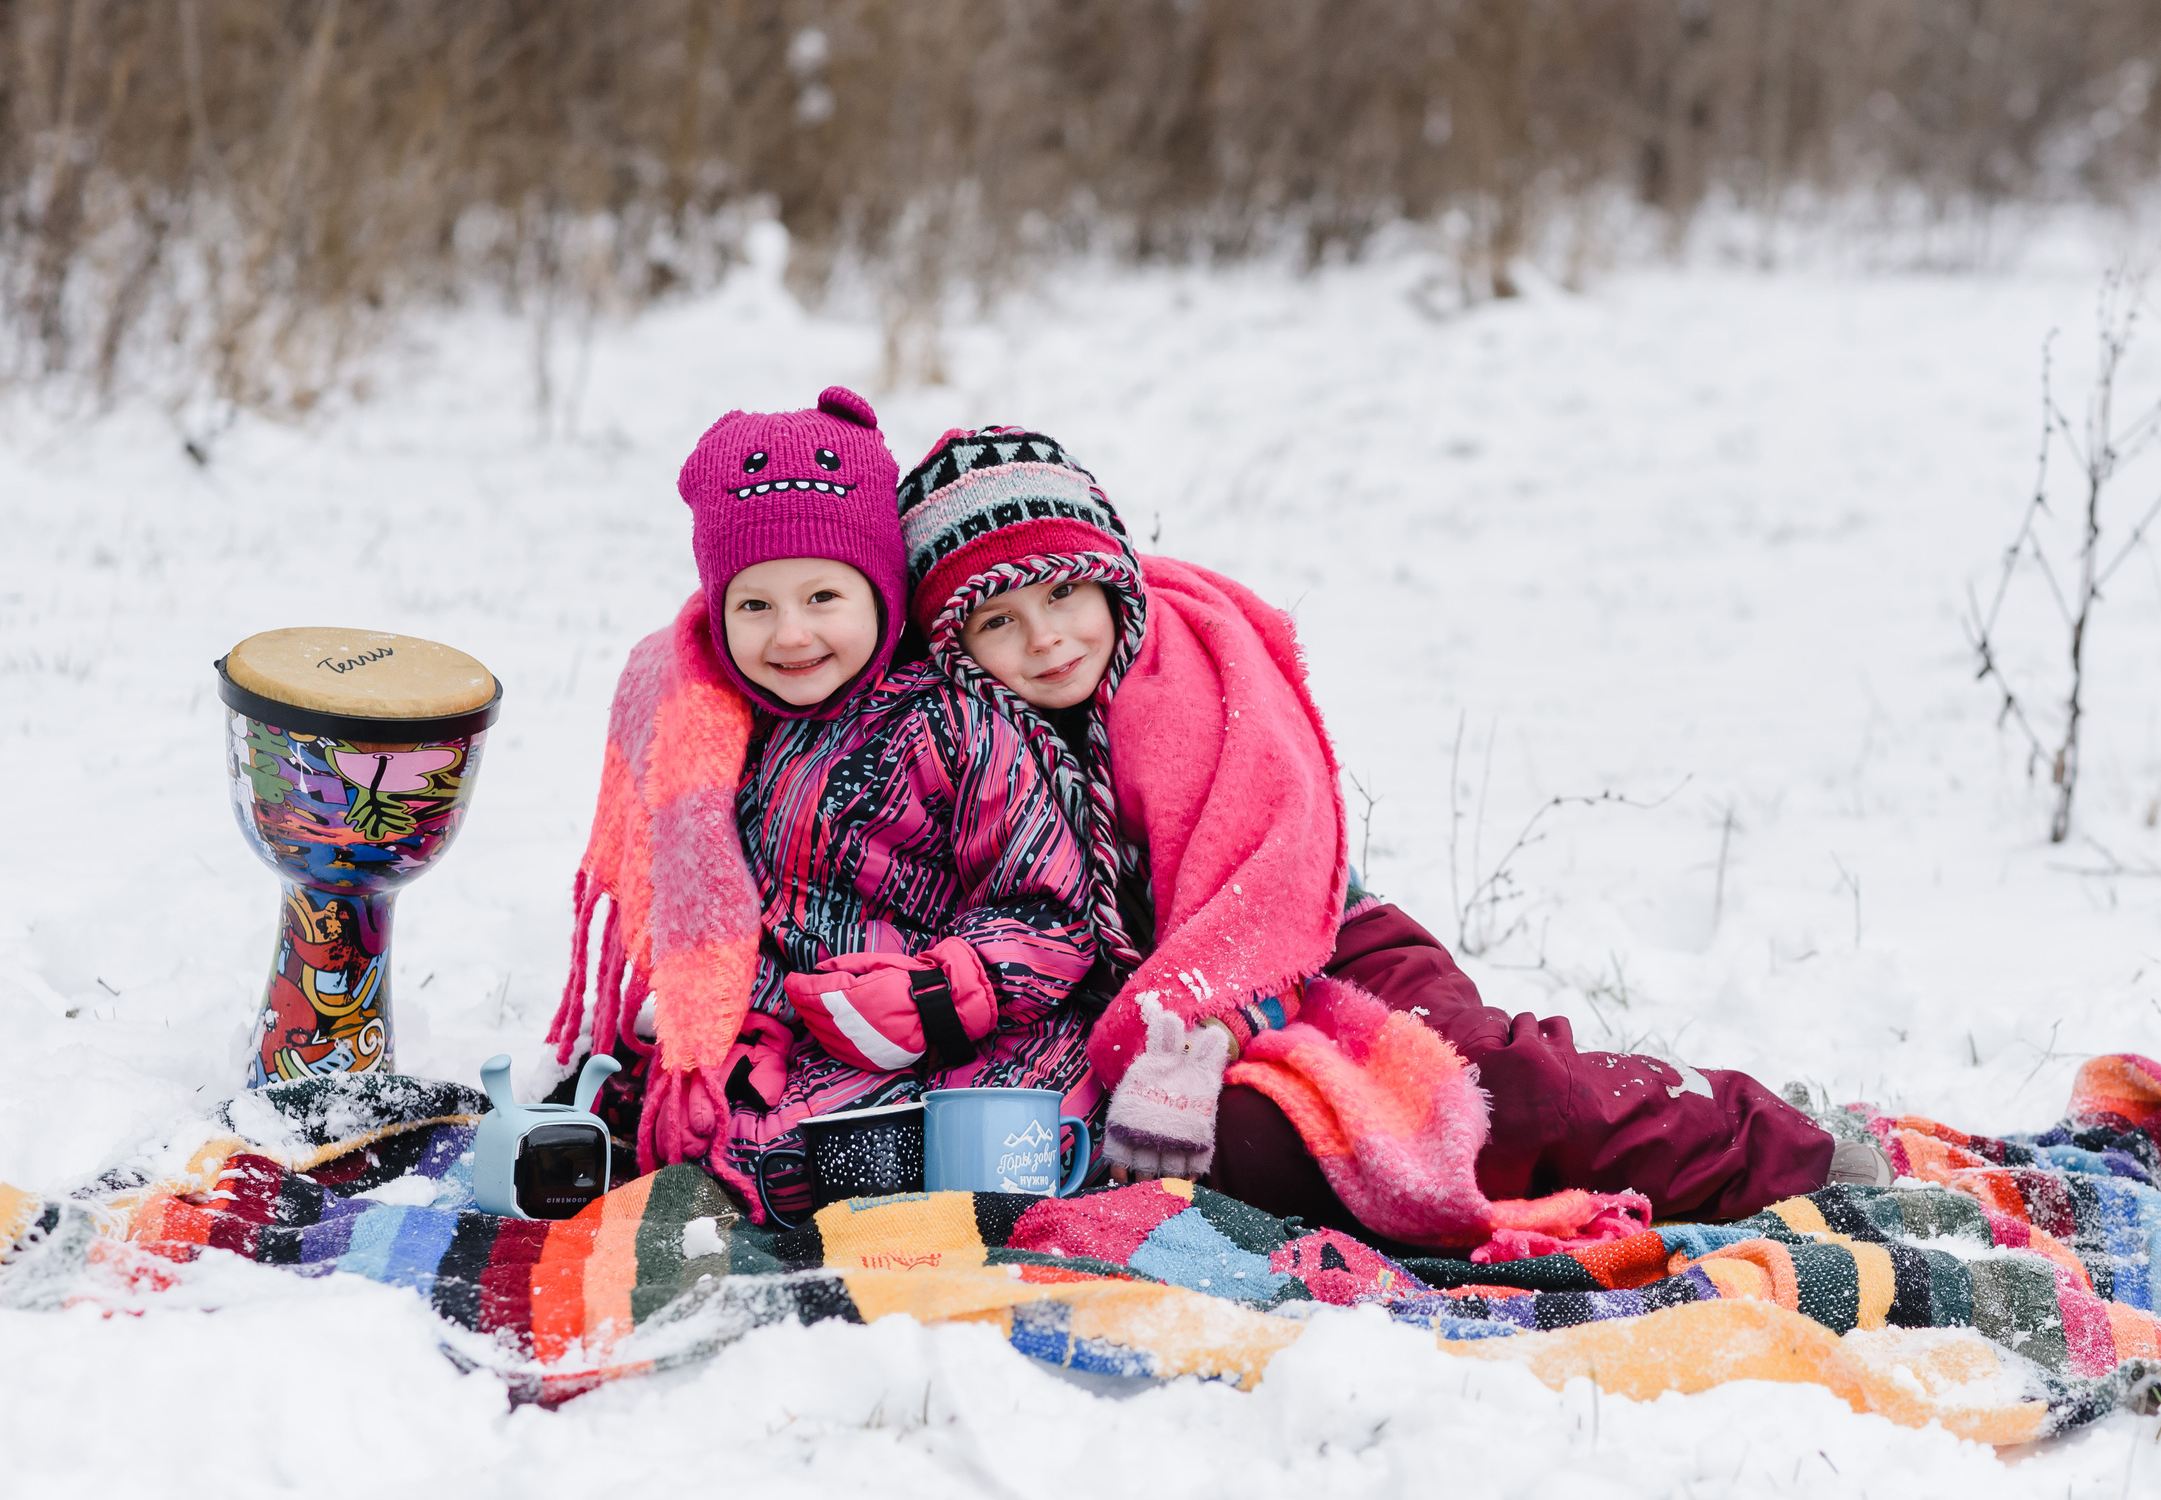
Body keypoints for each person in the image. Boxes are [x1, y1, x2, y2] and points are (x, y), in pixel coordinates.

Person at [894, 427, 1881, 1248]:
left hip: (1325, 948)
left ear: (1110, 576)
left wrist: (1209, 1032)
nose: (1045, 638)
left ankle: (1772, 1139)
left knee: (1484, 1091)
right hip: (1163, 1029)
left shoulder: (1195, 689)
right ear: (954, 646)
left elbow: (1276, 894)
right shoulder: (963, 750)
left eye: (1062, 594)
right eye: (999, 620)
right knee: (1257, 1145)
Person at [546, 389, 1103, 1225]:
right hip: (814, 1037)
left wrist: (942, 992)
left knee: (903, 1129)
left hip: (961, 1024)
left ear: (881, 593)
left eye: (822, 598)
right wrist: (749, 1022)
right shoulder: (724, 731)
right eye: (755, 605)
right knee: (678, 1111)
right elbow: (752, 920)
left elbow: (1050, 910)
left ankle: (972, 1163)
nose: (791, 636)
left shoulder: (954, 723)